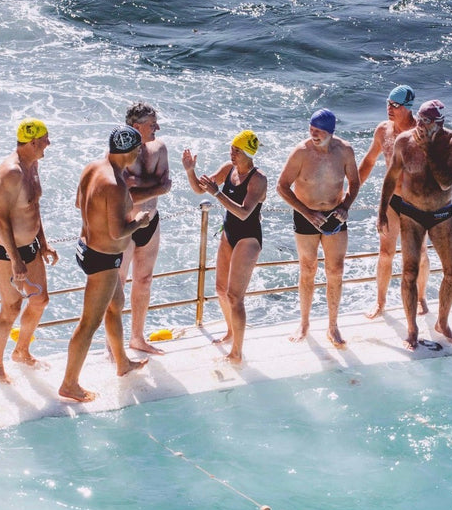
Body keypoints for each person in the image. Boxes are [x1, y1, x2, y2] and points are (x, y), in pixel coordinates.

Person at [59, 127, 150, 402]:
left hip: (86, 246)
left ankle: (122, 362)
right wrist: (140, 221)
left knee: (115, 305)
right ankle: (69, 384)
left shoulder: (92, 168)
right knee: (89, 323)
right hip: (103, 259)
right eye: (139, 149)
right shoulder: (115, 183)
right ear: (132, 151)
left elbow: (79, 203)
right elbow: (117, 232)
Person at [378, 100, 452, 350]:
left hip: (441, 215)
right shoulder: (404, 141)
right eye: (418, 119)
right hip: (411, 213)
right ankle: (411, 328)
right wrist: (381, 212)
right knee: (409, 272)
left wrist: (428, 149)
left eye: (426, 122)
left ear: (439, 124)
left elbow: (445, 182)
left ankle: (442, 322)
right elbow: (391, 176)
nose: (419, 125)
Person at [277, 109, 360, 348]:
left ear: (331, 133)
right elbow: (282, 187)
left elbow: (354, 182)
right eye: (311, 130)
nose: (313, 135)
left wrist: (345, 206)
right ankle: (304, 323)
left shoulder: (344, 150)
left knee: (335, 270)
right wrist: (306, 212)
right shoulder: (301, 153)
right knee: (308, 268)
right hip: (306, 215)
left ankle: (333, 325)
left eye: (319, 132)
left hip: (335, 215)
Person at [183, 130, 267, 364]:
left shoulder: (258, 179)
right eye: (231, 149)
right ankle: (230, 331)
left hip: (248, 237)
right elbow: (201, 189)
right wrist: (190, 170)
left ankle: (237, 352)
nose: (232, 154)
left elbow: (243, 212)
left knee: (235, 296)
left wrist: (217, 193)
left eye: (237, 151)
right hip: (229, 233)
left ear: (248, 154)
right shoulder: (227, 169)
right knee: (220, 289)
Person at [0, 119, 59, 383]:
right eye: (46, 139)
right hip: (7, 251)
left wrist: (44, 241)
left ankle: (21, 350)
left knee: (40, 301)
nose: (49, 144)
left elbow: (33, 207)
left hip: (30, 246)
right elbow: (0, 220)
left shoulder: (33, 165)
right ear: (33, 142)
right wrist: (16, 260)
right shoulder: (11, 173)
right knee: (11, 308)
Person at [358, 85, 430, 319]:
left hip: (416, 202)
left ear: (407, 108)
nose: (389, 108)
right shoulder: (383, 131)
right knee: (385, 252)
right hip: (392, 201)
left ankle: (421, 298)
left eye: (395, 105)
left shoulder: (421, 132)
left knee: (418, 252)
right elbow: (369, 161)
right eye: (388, 103)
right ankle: (380, 302)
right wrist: (351, 191)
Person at [118, 102, 172, 355]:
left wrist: (138, 184)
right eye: (152, 125)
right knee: (117, 284)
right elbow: (123, 194)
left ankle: (137, 338)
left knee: (144, 280)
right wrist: (150, 185)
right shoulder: (120, 151)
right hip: (125, 224)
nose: (157, 128)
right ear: (136, 127)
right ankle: (113, 344)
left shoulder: (159, 148)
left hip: (151, 221)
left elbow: (166, 184)